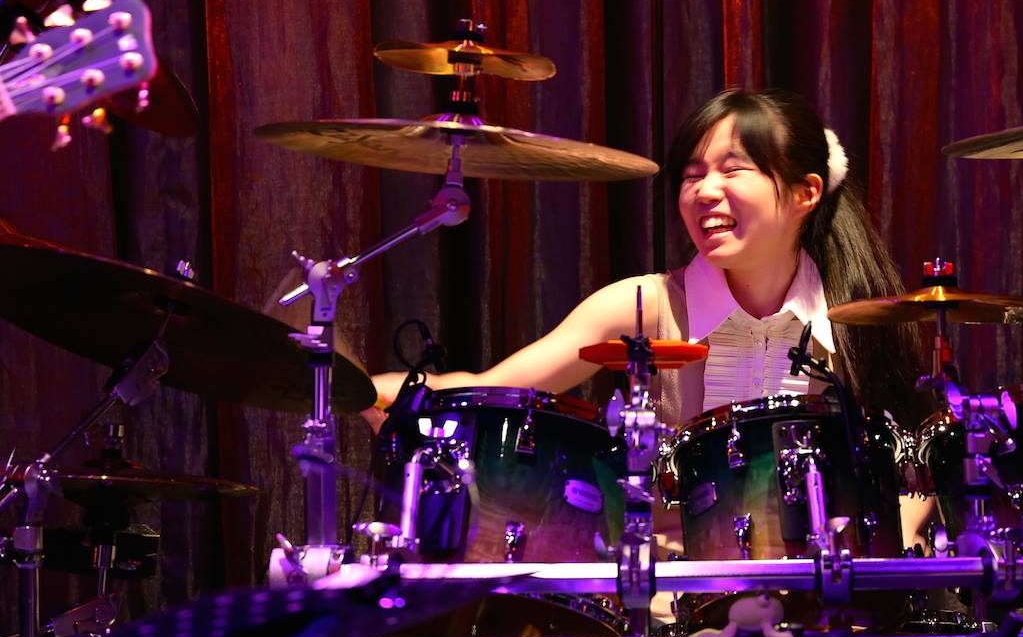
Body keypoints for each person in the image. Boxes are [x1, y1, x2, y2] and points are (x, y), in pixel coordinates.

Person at [366, 88, 925, 432]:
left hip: (823, 585)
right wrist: (359, 389)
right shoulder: (642, 305)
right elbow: (490, 392)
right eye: (691, 175)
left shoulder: (858, 313)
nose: (704, 191)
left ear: (806, 192)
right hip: (671, 582)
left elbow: (913, 470)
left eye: (733, 170)